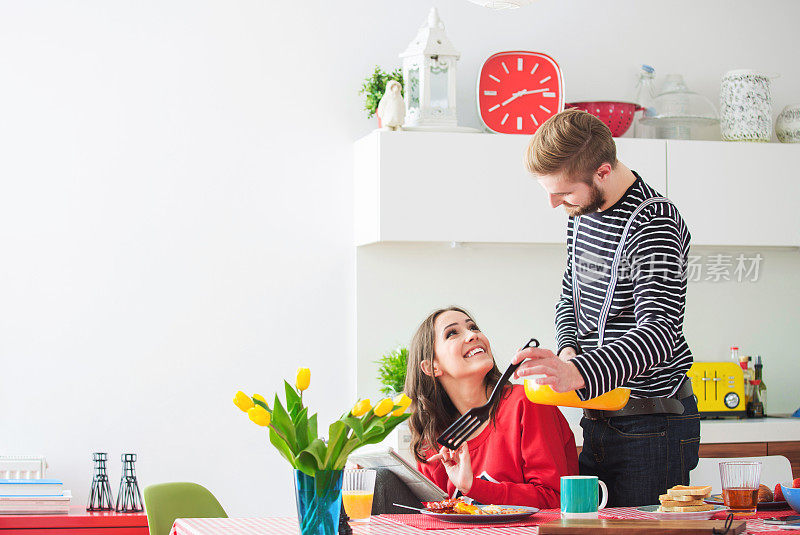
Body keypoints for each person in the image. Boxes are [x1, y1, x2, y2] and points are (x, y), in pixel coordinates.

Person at [512, 109, 700, 507]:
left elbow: (659, 333)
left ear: (602, 172)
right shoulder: (581, 213)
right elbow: (570, 294)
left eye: (563, 192)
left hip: (652, 425)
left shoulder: (654, 224)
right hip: (600, 420)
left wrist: (577, 373)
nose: (553, 203)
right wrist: (567, 352)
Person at [405, 306, 578, 508]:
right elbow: (436, 517)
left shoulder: (527, 404)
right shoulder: (433, 440)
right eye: (452, 333)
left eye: (473, 327)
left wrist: (473, 487)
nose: (472, 335)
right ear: (432, 367)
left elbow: (555, 499)